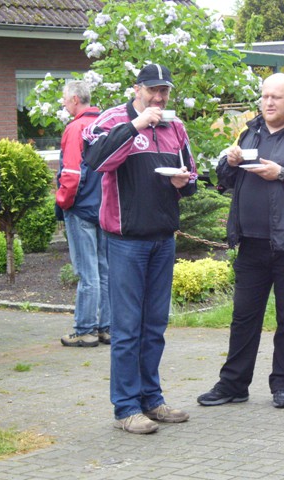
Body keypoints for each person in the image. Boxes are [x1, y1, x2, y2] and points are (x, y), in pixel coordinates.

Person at [197, 73, 284, 409]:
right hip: (252, 243)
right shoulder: (249, 132)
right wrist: (228, 163)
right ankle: (233, 385)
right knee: (244, 317)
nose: (269, 103)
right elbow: (224, 180)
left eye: (276, 97)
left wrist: (283, 174)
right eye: (265, 96)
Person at [83, 63, 197, 434]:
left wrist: (183, 182)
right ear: (137, 89)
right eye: (153, 90)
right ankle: (126, 408)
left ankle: (152, 399)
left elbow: (192, 177)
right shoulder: (112, 120)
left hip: (163, 238)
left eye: (164, 91)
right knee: (127, 328)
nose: (159, 97)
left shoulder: (175, 127)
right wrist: (136, 125)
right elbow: (96, 160)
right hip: (125, 240)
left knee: (154, 326)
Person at [56, 81, 110, 347]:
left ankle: (85, 330)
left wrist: (63, 202)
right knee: (104, 270)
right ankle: (106, 328)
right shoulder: (106, 125)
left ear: (75, 99)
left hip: (81, 208)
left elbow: (71, 173)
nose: (64, 103)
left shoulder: (75, 128)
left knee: (87, 273)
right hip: (105, 208)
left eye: (65, 99)